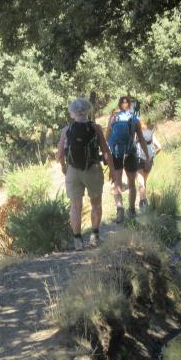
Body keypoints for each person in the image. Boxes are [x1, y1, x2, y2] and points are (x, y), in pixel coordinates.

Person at [57, 98, 115, 251]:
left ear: (72, 113)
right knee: (96, 204)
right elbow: (106, 152)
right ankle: (94, 236)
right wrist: (113, 171)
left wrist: (64, 167)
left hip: (73, 171)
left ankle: (77, 241)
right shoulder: (95, 128)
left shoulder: (66, 130)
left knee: (75, 207)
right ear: (88, 111)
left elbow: (59, 155)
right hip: (93, 169)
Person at [106, 96, 152, 223]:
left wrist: (107, 153)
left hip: (116, 153)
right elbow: (141, 139)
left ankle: (119, 209)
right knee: (131, 184)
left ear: (119, 105)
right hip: (131, 152)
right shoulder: (135, 119)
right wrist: (147, 157)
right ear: (130, 105)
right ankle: (131, 210)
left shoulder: (113, 117)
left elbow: (107, 136)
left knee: (117, 183)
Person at [136, 121, 162, 211]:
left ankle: (142, 202)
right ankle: (145, 201)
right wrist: (152, 156)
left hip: (139, 159)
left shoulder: (136, 134)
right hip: (149, 161)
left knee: (141, 182)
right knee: (144, 181)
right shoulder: (151, 134)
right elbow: (160, 147)